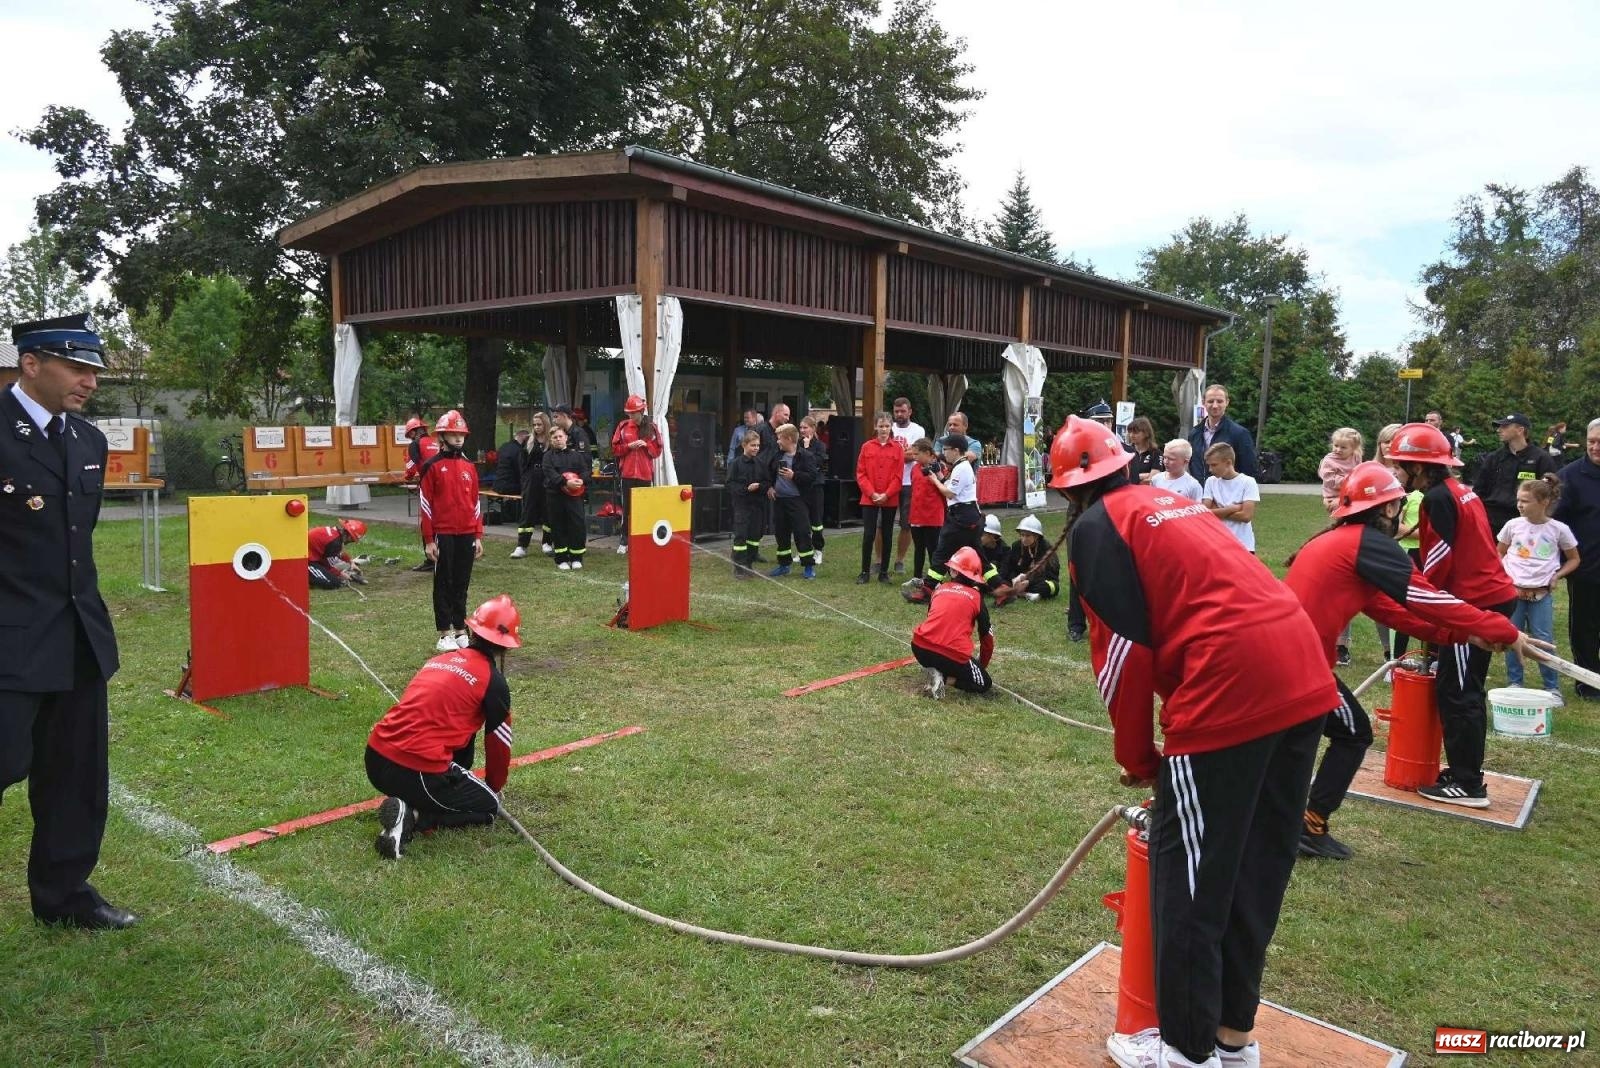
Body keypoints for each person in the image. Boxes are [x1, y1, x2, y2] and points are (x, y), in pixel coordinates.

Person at [1049, 414, 1334, 1068]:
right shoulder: (1168, 501)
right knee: (1255, 872)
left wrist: (1141, 759)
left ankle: (1183, 1051)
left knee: (1190, 886)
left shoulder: (1099, 528)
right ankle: (1234, 1040)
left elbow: (1122, 655)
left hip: (1228, 689)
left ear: (1069, 490)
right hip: (1301, 670)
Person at [1284, 462, 1530, 861]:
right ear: (1386, 510)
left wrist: (1466, 635)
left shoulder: (1346, 542)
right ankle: (1306, 826)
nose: (1401, 515)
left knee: (1303, 742)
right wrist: (1502, 629)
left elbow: (1391, 610)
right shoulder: (1369, 545)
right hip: (1296, 666)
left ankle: (1297, 824)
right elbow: (1428, 597)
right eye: (1398, 506)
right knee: (1350, 734)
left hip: (1289, 661)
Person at [0, 314, 134, 931]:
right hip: (9, 638)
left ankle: (64, 895)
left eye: (94, 371)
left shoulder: (87, 442)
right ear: (31, 364)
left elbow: (76, 545)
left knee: (76, 776)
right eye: (77, 368)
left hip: (78, 635)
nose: (90, 382)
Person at [1388, 421, 1517, 806]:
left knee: (1460, 692)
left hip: (1473, 604)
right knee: (1459, 686)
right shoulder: (1460, 491)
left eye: (1402, 464)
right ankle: (1462, 772)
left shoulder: (1438, 499)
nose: (1397, 471)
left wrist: (1427, 604)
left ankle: (1467, 782)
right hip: (1485, 596)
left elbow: (1440, 557)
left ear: (1421, 468)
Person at [366, 594, 521, 860]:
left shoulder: (438, 661)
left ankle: (409, 803)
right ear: (505, 646)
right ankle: (414, 817)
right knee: (487, 807)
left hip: (376, 759)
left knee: (445, 782)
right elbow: (499, 742)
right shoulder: (493, 682)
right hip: (417, 770)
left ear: (472, 628)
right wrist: (494, 787)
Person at [1498, 475, 1580, 695]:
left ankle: (1552, 687)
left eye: (1525, 501)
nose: (1519, 505)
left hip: (1541, 595)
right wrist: (1503, 577)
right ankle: (1515, 683)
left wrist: (1556, 576)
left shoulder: (1559, 529)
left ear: (1543, 502)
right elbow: (1499, 553)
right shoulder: (1512, 525)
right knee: (1512, 636)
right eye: (1518, 500)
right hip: (1513, 593)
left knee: (1543, 638)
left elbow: (1574, 558)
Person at [418, 410, 484, 652]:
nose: (458, 439)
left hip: (466, 533)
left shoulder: (469, 466)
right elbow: (425, 505)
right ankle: (444, 632)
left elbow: (476, 503)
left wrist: (477, 535)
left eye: (461, 435)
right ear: (442, 436)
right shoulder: (431, 466)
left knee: (462, 582)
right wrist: (429, 540)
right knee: (444, 582)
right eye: (453, 434)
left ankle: (460, 629)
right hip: (442, 533)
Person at [1554, 419, 1600, 699]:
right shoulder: (1569, 476)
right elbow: (1556, 524)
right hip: (1586, 567)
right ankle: (1588, 681)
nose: (1595, 447)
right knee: (1585, 626)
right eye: (1591, 442)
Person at [911, 547, 995, 698]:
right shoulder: (976, 597)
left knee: (940, 657)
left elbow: (932, 618)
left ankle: (934, 670)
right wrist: (981, 667)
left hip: (919, 647)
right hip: (953, 655)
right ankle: (942, 679)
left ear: (954, 571)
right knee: (985, 683)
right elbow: (987, 637)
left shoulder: (939, 589)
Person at [919, 432, 990, 598]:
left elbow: (949, 493)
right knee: (979, 555)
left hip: (962, 516)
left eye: (946, 449)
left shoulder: (962, 467)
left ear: (956, 450)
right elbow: (951, 487)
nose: (944, 453)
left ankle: (929, 588)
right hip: (967, 514)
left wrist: (933, 479)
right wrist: (939, 475)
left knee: (942, 551)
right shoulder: (959, 466)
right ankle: (999, 585)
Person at [1318, 428, 1363, 665]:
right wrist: (1352, 479)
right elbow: (1330, 480)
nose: (1337, 450)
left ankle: (1341, 644)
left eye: (1342, 447)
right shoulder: (1329, 461)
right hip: (1336, 503)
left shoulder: (1358, 459)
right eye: (1335, 445)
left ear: (1354, 449)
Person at [1472, 412, 1556, 536]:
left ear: (1520, 430)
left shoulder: (1541, 458)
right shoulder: (1494, 458)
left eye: (1505, 427)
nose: (1499, 430)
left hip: (1525, 523)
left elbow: (1551, 492)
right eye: (1499, 427)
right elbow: (1478, 490)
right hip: (1491, 522)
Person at [610, 394, 662, 557]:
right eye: (629, 413)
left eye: (633, 413)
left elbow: (658, 451)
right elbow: (615, 449)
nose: (630, 416)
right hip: (627, 474)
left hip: (645, 475)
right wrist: (629, 446)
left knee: (644, 510)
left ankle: (643, 541)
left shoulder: (652, 428)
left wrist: (646, 445)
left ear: (641, 411)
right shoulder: (623, 426)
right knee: (628, 510)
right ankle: (624, 541)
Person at [855, 412, 902, 584]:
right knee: (869, 534)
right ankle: (865, 571)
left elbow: (898, 476)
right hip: (870, 497)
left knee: (888, 534)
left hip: (889, 497)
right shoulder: (867, 447)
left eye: (887, 426)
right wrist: (872, 493)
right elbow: (861, 473)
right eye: (881, 426)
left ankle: (884, 572)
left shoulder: (897, 448)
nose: (883, 429)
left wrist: (887, 494)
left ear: (891, 427)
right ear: (876, 427)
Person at [767, 423, 818, 579]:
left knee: (802, 533)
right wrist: (769, 487)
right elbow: (768, 473)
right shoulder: (777, 455)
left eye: (780, 438)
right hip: (779, 501)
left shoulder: (806, 456)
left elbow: (812, 477)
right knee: (781, 533)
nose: (778, 442)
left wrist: (794, 475)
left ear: (789, 439)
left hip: (797, 501)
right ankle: (784, 565)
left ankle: (808, 566)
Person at [1186, 385, 1258, 481]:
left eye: (1219, 401)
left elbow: (1249, 470)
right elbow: (1193, 465)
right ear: (1203, 403)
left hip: (1228, 493)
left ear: (1227, 402)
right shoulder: (1194, 433)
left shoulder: (1239, 434)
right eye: (1210, 401)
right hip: (1200, 493)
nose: (1215, 405)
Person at [889, 396, 927, 573]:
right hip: (888, 482)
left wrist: (894, 456)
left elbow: (915, 454)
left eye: (903, 411)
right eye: (896, 411)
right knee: (882, 524)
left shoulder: (918, 430)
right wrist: (903, 455)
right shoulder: (887, 428)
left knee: (906, 524)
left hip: (909, 482)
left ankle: (899, 561)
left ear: (910, 411)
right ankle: (878, 560)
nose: (899, 414)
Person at [542, 425, 588, 571]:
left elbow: (586, 471)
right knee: (558, 526)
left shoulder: (576, 456)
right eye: (555, 437)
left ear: (566, 438)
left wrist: (581, 480)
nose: (558, 439)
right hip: (556, 496)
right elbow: (550, 473)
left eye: (560, 436)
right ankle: (561, 558)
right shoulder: (548, 456)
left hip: (575, 497)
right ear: (551, 440)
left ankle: (576, 557)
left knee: (577, 525)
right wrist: (565, 482)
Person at [1202, 443, 1260, 553]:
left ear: (1228, 463)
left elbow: (1246, 516)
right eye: (1209, 465)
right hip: (1218, 544)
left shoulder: (1248, 482)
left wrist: (1217, 510)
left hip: (1243, 545)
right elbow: (1204, 513)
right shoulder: (1211, 482)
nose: (1210, 469)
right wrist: (1232, 508)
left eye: (1214, 465)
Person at [726, 430, 769, 578]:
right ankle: (738, 567)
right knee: (741, 535)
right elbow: (730, 484)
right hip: (742, 505)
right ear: (744, 445)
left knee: (754, 536)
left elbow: (767, 482)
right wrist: (745, 489)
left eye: (758, 445)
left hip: (757, 505)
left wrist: (760, 486)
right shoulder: (736, 464)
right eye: (753, 445)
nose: (756, 448)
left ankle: (749, 564)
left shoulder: (761, 464)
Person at [403, 416, 442, 572]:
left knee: (427, 522)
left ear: (413, 432)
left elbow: (411, 468)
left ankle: (431, 559)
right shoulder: (436, 442)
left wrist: (407, 478)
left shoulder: (414, 445)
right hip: (444, 484)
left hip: (429, 486)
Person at [905, 438, 946, 586]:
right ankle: (917, 576)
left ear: (928, 453)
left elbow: (945, 489)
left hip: (933, 516)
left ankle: (934, 579)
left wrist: (938, 474)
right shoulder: (915, 468)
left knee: (933, 549)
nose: (914, 457)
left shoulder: (939, 466)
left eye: (917, 454)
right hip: (916, 515)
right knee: (918, 548)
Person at [511, 411, 551, 559]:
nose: (537, 427)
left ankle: (547, 543)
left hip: (548, 479)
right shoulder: (528, 440)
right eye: (534, 424)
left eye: (539, 424)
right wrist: (525, 480)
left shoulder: (551, 440)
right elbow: (521, 463)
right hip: (531, 479)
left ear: (545, 424)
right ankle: (522, 545)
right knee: (528, 512)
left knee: (548, 512)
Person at [1001, 514, 1059, 601]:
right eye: (1022, 535)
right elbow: (1010, 567)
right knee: (1003, 580)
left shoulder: (1046, 548)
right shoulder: (1016, 546)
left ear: (1036, 536)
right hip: (1020, 582)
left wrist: (1029, 582)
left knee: (1053, 586)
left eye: (1027, 536)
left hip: (1038, 582)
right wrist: (1014, 579)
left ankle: (1022, 593)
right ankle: (1026, 594)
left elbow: (1051, 574)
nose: (1024, 539)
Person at [799, 415, 828, 565]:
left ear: (813, 428)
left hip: (815, 487)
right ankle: (803, 550)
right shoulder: (797, 444)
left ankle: (818, 551)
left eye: (806, 427)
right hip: (800, 487)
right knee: (802, 521)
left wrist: (806, 447)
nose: (803, 430)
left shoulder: (820, 446)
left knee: (816, 521)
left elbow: (814, 463)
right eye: (801, 427)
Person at [308, 518, 368, 590]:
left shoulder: (335, 534)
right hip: (306, 560)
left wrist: (351, 562)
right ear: (348, 535)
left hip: (310, 555)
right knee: (331, 583)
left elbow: (339, 553)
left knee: (333, 573)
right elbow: (326, 564)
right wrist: (339, 574)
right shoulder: (334, 543)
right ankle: (303, 576)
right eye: (352, 539)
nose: (351, 541)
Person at [1125, 416, 1162, 483]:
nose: (1131, 435)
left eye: (1135, 432)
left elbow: (1153, 478)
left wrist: (1134, 477)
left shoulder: (1156, 453)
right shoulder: (1126, 451)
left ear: (1146, 433)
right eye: (1130, 432)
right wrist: (1143, 475)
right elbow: (1123, 477)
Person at [492, 427, 528, 495]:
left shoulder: (504, 446)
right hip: (510, 487)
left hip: (497, 485)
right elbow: (520, 470)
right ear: (524, 437)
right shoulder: (519, 451)